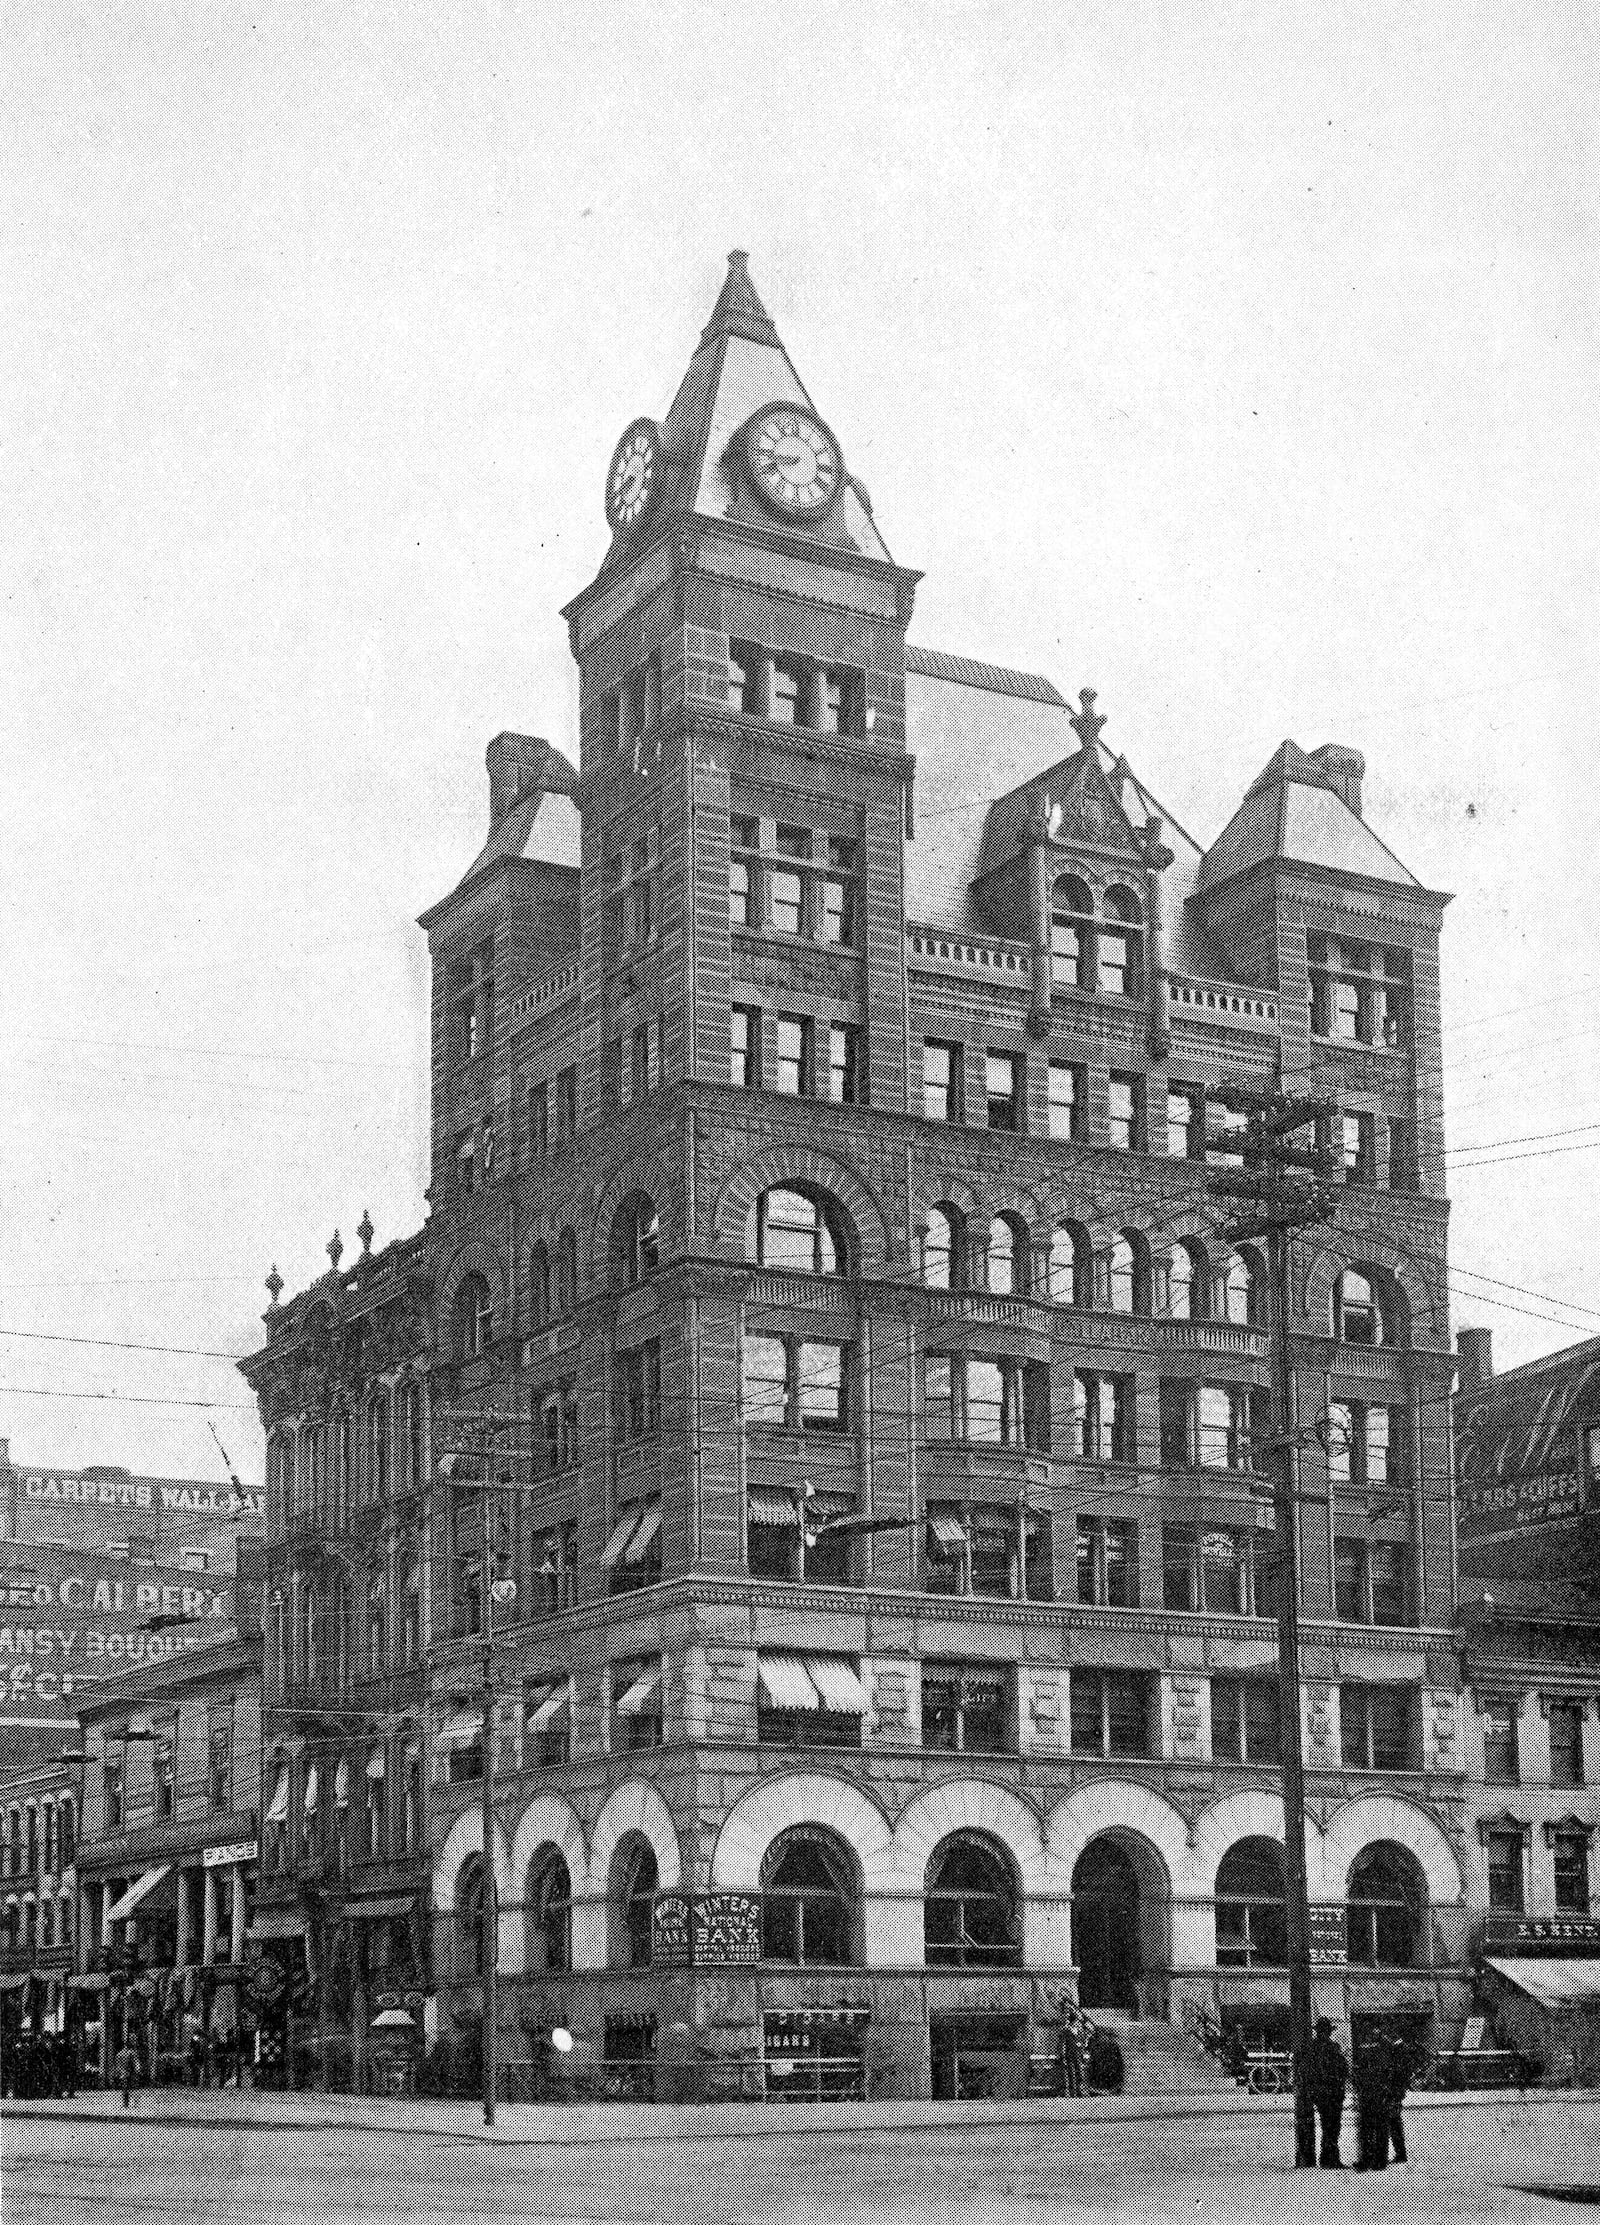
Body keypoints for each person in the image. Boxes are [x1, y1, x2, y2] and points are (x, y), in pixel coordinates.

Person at [1304, 2017, 1348, 2168]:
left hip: (1318, 2092)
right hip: (1332, 2092)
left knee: (1326, 2124)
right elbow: (1343, 2069)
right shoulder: (1332, 2047)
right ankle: (1330, 2159)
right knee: (1332, 2126)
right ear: (1329, 2032)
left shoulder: (1311, 2048)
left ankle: (1325, 2158)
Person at [1351, 2037, 1389, 2171]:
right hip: (1377, 2098)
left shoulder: (1366, 2065)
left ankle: (1369, 2160)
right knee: (1378, 2130)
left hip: (1371, 2098)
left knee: (1369, 2130)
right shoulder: (1384, 2062)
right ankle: (1378, 2160)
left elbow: (1356, 2079)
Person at [1383, 2031, 1413, 2164]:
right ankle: (1400, 2153)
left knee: (1393, 2121)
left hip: (1394, 2091)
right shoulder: (1400, 2050)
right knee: (1393, 2121)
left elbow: (1397, 2073)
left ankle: (1400, 2153)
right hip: (1395, 2091)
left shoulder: (1399, 2051)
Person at [1058, 2010, 1084, 2098]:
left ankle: (1079, 2091)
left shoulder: (1079, 2030)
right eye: (1076, 2020)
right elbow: (1063, 2043)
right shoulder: (1066, 2030)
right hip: (1069, 2053)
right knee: (1070, 2073)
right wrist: (1063, 2054)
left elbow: (1082, 2041)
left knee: (1079, 2072)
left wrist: (1081, 2047)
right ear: (1074, 2020)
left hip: (1078, 2053)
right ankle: (1071, 2092)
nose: (1077, 2022)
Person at [115, 2037, 139, 2110]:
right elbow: (136, 2063)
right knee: (133, 2088)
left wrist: (119, 2073)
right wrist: (137, 2070)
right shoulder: (132, 2053)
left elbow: (117, 2066)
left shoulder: (119, 2054)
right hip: (130, 2073)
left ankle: (125, 2104)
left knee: (125, 2088)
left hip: (123, 2073)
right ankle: (135, 2103)